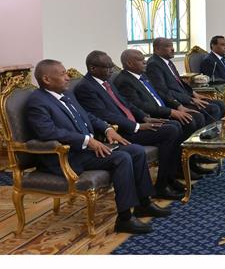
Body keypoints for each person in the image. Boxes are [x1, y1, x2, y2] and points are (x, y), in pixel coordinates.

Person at [26, 59, 170, 234]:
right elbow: (47, 132)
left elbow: (88, 115)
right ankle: (124, 219)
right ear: (46, 79)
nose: (68, 77)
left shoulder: (66, 94)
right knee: (122, 158)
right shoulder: (37, 101)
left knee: (136, 150)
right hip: (67, 156)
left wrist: (107, 128)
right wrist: (87, 140)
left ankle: (144, 204)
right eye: (63, 74)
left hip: (86, 149)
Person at [73, 50, 185, 199]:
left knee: (175, 125)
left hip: (133, 124)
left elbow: (126, 103)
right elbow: (104, 115)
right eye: (107, 67)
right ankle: (162, 185)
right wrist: (137, 126)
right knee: (170, 131)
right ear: (93, 68)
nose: (111, 70)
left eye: (112, 66)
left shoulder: (106, 81)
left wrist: (144, 117)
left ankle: (169, 178)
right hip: (121, 133)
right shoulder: (85, 88)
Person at [113, 49, 212, 178]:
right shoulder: (124, 81)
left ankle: (190, 162)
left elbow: (161, 93)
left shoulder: (143, 75)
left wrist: (178, 106)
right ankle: (177, 169)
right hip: (151, 116)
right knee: (186, 122)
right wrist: (170, 112)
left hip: (163, 109)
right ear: (129, 63)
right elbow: (140, 106)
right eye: (141, 60)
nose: (145, 61)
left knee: (196, 116)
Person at [145, 37, 224, 124]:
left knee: (220, 104)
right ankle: (210, 132)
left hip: (185, 97)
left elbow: (179, 81)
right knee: (213, 109)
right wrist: (190, 100)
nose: (172, 49)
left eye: (172, 46)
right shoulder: (154, 65)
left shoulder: (167, 61)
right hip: (176, 102)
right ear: (157, 49)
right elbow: (163, 91)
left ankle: (220, 130)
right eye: (168, 46)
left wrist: (194, 94)